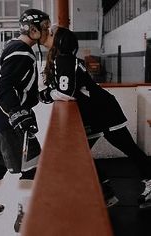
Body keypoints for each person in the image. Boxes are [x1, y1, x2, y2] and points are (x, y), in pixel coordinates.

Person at [39, 25, 151, 209]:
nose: (47, 35)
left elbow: (65, 92)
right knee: (77, 154)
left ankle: (115, 189)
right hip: (94, 114)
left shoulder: (65, 59)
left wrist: (43, 96)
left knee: (128, 148)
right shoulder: (63, 59)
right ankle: (105, 191)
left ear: (58, 41)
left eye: (51, 34)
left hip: (104, 112)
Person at [0, 9, 51, 233]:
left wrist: (42, 95)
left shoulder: (13, 46)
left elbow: (16, 86)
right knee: (33, 167)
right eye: (44, 27)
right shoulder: (22, 52)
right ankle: (26, 215)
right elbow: (4, 87)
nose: (47, 30)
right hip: (11, 121)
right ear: (32, 29)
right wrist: (18, 113)